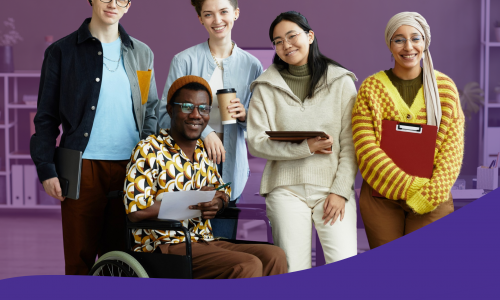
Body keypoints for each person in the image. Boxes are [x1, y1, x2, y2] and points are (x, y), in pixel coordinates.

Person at [30, 0, 158, 275]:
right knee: (80, 258)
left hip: (130, 168)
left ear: (129, 5)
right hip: (80, 168)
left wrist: (146, 161)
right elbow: (46, 117)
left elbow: (149, 111)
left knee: (123, 258)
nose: (113, 4)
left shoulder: (142, 53)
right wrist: (45, 168)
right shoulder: (61, 52)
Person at [124, 75, 287, 279]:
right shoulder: (149, 149)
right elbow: (136, 212)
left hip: (204, 240)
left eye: (203, 108)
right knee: (247, 264)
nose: (196, 115)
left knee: (274, 255)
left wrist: (217, 204)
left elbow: (222, 191)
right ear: (170, 109)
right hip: (165, 245)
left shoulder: (203, 152)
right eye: (186, 107)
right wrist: (191, 201)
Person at [247, 11, 358, 272]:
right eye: (277, 41)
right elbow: (256, 142)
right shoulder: (264, 86)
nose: (286, 45)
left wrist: (340, 191)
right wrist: (306, 148)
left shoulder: (341, 81)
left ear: (309, 36)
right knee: (293, 270)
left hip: (332, 188)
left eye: (291, 36)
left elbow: (351, 143)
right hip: (285, 188)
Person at [352, 12, 464, 249]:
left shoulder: (445, 88)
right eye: (399, 39)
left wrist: (431, 193)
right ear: (390, 45)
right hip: (380, 195)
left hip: (432, 194)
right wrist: (409, 186)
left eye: (415, 38)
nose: (408, 46)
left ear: (425, 43)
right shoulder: (370, 88)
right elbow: (365, 148)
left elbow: (452, 151)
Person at [157, 0, 263, 239]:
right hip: (186, 166)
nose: (217, 20)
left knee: (224, 246)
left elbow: (260, 122)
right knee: (186, 247)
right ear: (200, 19)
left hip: (230, 167)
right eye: (208, 14)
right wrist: (207, 134)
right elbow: (165, 115)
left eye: (224, 12)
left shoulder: (252, 66)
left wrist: (245, 115)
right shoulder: (184, 61)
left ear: (235, 13)